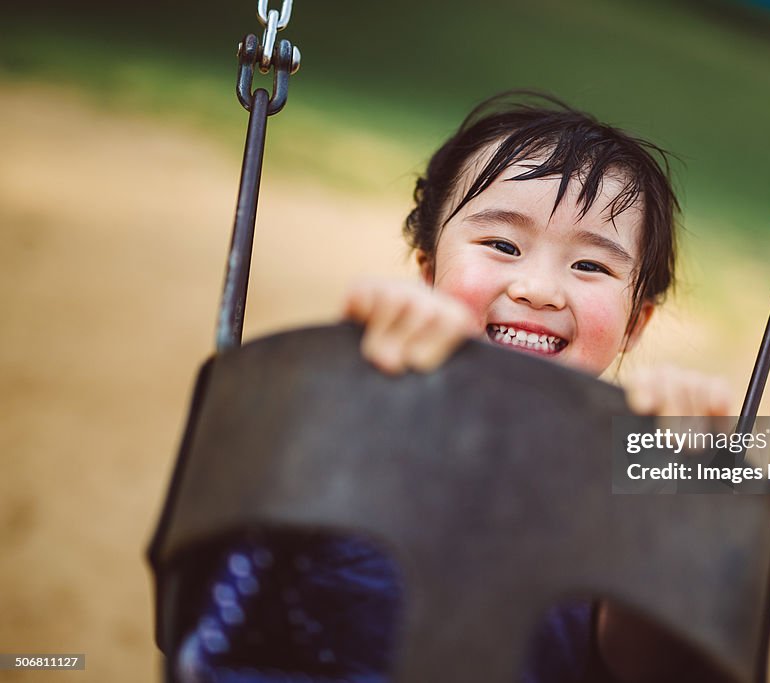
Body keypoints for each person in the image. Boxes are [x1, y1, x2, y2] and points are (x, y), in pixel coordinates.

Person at [178, 92, 731, 683]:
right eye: (502, 246)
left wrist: (686, 494)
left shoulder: (635, 457)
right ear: (426, 273)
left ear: (636, 323)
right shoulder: (362, 406)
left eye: (591, 266)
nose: (539, 289)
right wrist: (351, 374)